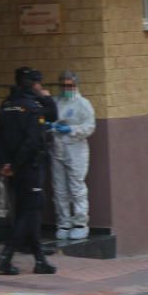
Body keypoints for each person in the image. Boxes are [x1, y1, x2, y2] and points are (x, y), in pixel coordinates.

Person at [0, 67, 58, 275]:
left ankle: (39, 259)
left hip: (14, 169)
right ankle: (6, 256)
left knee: (28, 211)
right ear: (34, 84)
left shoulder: (7, 105)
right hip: (30, 167)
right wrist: (47, 99)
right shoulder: (33, 106)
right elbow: (32, 140)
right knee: (29, 211)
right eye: (39, 83)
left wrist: (6, 164)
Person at [50, 70, 96, 241]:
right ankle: (63, 223)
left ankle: (80, 223)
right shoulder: (55, 102)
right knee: (59, 189)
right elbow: (50, 121)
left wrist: (72, 129)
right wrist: (52, 126)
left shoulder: (83, 104)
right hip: (57, 149)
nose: (66, 88)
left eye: (69, 85)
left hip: (76, 150)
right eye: (63, 85)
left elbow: (90, 127)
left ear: (75, 85)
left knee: (76, 188)